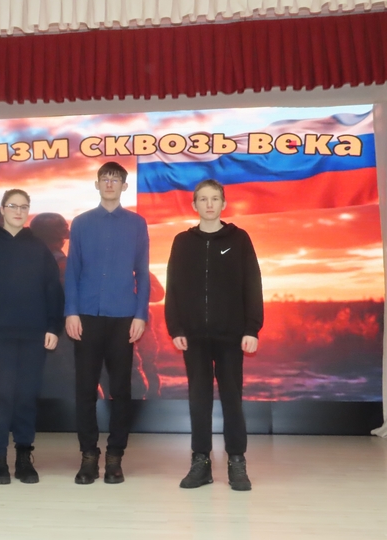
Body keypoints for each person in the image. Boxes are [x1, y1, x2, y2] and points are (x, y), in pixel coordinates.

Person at [164, 179, 263, 492]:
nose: (209, 204)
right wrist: (175, 328)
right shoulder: (182, 241)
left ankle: (236, 461)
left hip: (231, 336)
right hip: (193, 336)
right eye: (203, 199)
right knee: (199, 399)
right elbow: (173, 286)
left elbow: (253, 284)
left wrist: (252, 328)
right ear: (194, 205)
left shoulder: (239, 239)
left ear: (223, 204)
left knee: (232, 398)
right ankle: (201, 462)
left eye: (215, 199)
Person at [0, 189, 64, 485]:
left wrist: (53, 327)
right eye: (13, 206)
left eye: (24, 207)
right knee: (2, 396)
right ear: (3, 210)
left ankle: (23, 457)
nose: (18, 211)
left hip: (34, 335)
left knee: (26, 397)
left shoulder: (39, 248)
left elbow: (53, 290)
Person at [64, 161, 150, 485]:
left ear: (124, 186)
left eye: (116, 179)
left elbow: (142, 272)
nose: (110, 183)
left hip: (123, 317)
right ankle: (89, 456)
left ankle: (115, 457)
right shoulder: (81, 223)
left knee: (121, 390)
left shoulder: (137, 224)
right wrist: (71, 311)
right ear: (97, 184)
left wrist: (140, 314)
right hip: (86, 316)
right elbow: (72, 270)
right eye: (105, 178)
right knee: (85, 390)